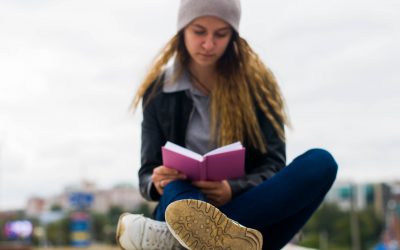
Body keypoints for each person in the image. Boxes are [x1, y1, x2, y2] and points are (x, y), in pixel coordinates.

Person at [116, 0, 338, 249]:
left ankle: (181, 241)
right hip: (183, 200)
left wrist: (231, 189)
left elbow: (273, 165)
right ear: (182, 30)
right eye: (199, 31)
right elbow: (147, 174)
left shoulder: (259, 89)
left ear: (233, 36)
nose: (209, 44)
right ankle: (201, 235)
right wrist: (156, 181)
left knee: (321, 163)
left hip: (248, 209)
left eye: (220, 34)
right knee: (176, 187)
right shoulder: (158, 92)